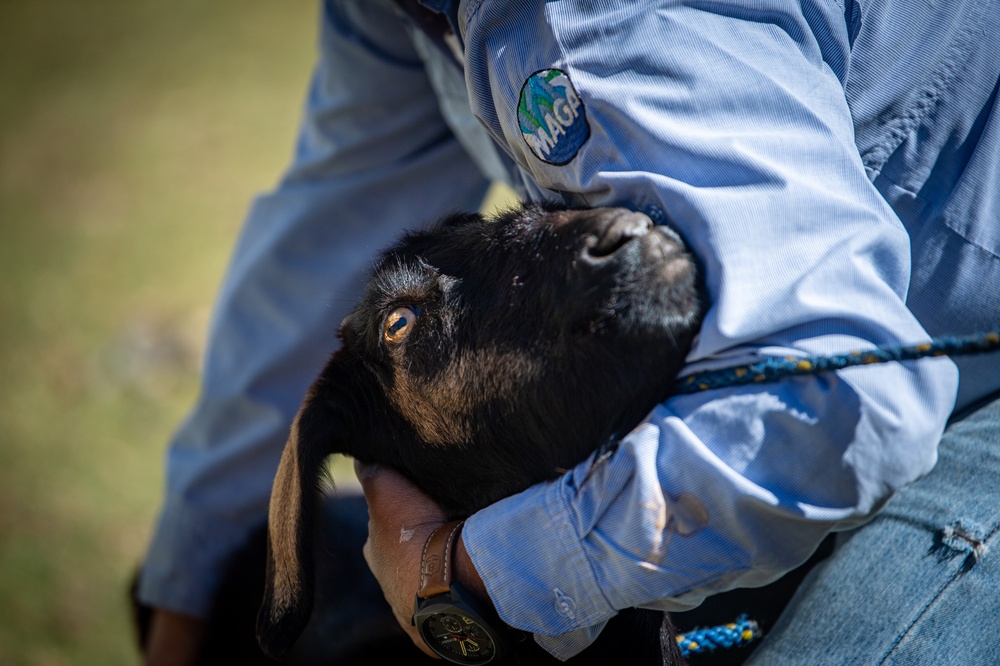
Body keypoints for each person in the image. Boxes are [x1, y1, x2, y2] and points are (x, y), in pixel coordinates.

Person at [139, 0, 1000, 663]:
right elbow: (324, 237)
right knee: (264, 589)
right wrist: (182, 606)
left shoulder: (608, 21)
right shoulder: (401, 13)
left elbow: (837, 408)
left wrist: (458, 573)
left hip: (935, 392)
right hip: (806, 397)